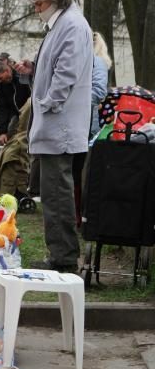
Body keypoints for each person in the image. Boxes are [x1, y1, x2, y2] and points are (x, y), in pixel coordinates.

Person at [15, 0, 93, 272]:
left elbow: (66, 73)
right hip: (54, 122)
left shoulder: (71, 25)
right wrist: (34, 71)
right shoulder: (63, 24)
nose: (36, 9)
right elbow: (56, 67)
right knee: (52, 192)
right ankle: (60, 254)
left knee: (57, 192)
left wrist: (47, 103)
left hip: (59, 124)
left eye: (39, 3)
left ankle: (63, 258)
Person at [72, 31, 111, 227]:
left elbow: (98, 91)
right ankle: (77, 215)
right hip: (79, 123)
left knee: (82, 173)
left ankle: (82, 217)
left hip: (87, 126)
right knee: (76, 173)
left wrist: (73, 99)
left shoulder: (97, 62)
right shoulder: (89, 62)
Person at [0, 57, 31, 145]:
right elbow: (1, 108)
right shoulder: (1, 86)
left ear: (7, 70)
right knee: (9, 137)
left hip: (31, 113)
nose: (0, 81)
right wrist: (2, 132)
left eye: (0, 78)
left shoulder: (22, 75)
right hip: (16, 114)